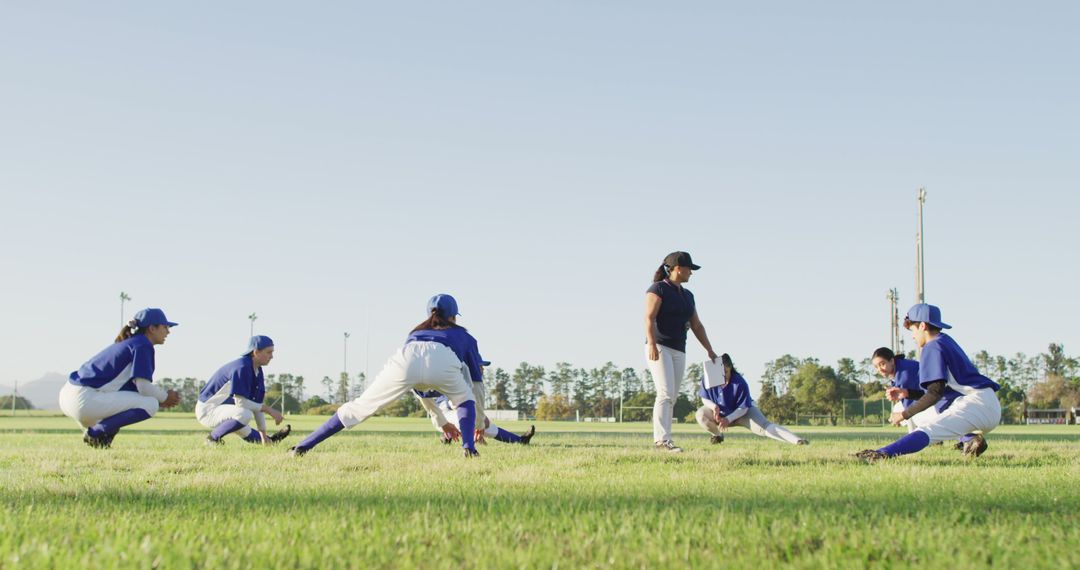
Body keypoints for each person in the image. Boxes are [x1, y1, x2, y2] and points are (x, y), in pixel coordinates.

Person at [289, 294, 482, 457]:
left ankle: (303, 446)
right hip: (443, 359)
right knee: (465, 400)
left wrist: (441, 421)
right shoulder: (465, 337)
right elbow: (476, 385)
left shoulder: (415, 333)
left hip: (407, 357)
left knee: (360, 407)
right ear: (454, 317)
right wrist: (479, 422)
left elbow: (420, 389)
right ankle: (469, 449)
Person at [856, 304, 1001, 463]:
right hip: (984, 402)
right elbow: (940, 390)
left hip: (976, 404)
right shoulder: (945, 340)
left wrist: (903, 415)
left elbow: (934, 393)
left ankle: (880, 454)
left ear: (923, 325)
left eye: (913, 330)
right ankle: (970, 441)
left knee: (926, 429)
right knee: (927, 418)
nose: (913, 336)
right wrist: (908, 394)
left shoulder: (932, 346)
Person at [59, 308, 182, 448]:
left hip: (71, 396)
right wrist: (164, 397)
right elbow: (144, 387)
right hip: (84, 400)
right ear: (152, 328)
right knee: (151, 404)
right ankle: (96, 433)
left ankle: (100, 439)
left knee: (145, 401)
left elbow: (134, 390)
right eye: (165, 327)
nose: (168, 331)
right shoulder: (142, 345)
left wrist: (160, 398)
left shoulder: (131, 342)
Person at [645, 251, 718, 453]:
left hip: (679, 348)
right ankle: (661, 440)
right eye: (689, 269)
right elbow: (648, 318)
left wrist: (710, 350)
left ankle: (665, 439)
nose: (691, 274)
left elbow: (696, 325)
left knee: (673, 396)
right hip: (659, 346)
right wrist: (651, 343)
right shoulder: (658, 289)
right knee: (665, 393)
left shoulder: (687, 295)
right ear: (678, 268)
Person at [414, 360, 536, 446]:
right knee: (476, 422)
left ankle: (520, 441)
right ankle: (450, 436)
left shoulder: (472, 381)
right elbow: (456, 404)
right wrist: (479, 423)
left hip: (453, 411)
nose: (482, 369)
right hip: (444, 412)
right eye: (480, 366)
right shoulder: (459, 378)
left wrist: (480, 422)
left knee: (486, 425)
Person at [695, 353, 808, 446]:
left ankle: (798, 441)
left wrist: (728, 419)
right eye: (720, 373)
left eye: (726, 372)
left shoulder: (740, 382)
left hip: (742, 413)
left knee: (765, 428)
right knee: (700, 415)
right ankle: (718, 435)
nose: (723, 376)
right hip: (719, 414)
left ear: (730, 368)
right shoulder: (708, 378)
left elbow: (743, 408)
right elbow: (704, 398)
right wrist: (713, 407)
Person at [197, 335, 291, 446]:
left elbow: (257, 406)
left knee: (245, 425)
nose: (272, 356)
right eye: (268, 352)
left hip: (225, 410)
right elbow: (241, 402)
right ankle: (212, 439)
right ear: (255, 352)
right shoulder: (241, 367)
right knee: (244, 414)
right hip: (208, 411)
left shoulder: (257, 370)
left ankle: (271, 441)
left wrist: (263, 436)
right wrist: (269, 410)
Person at [871, 347, 941, 432]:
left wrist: (901, 416)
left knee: (911, 414)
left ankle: (916, 438)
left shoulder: (904, 372)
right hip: (935, 400)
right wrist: (905, 393)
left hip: (941, 404)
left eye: (882, 364)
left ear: (892, 361)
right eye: (876, 367)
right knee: (898, 408)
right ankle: (919, 436)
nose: (879, 369)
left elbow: (912, 406)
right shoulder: (900, 367)